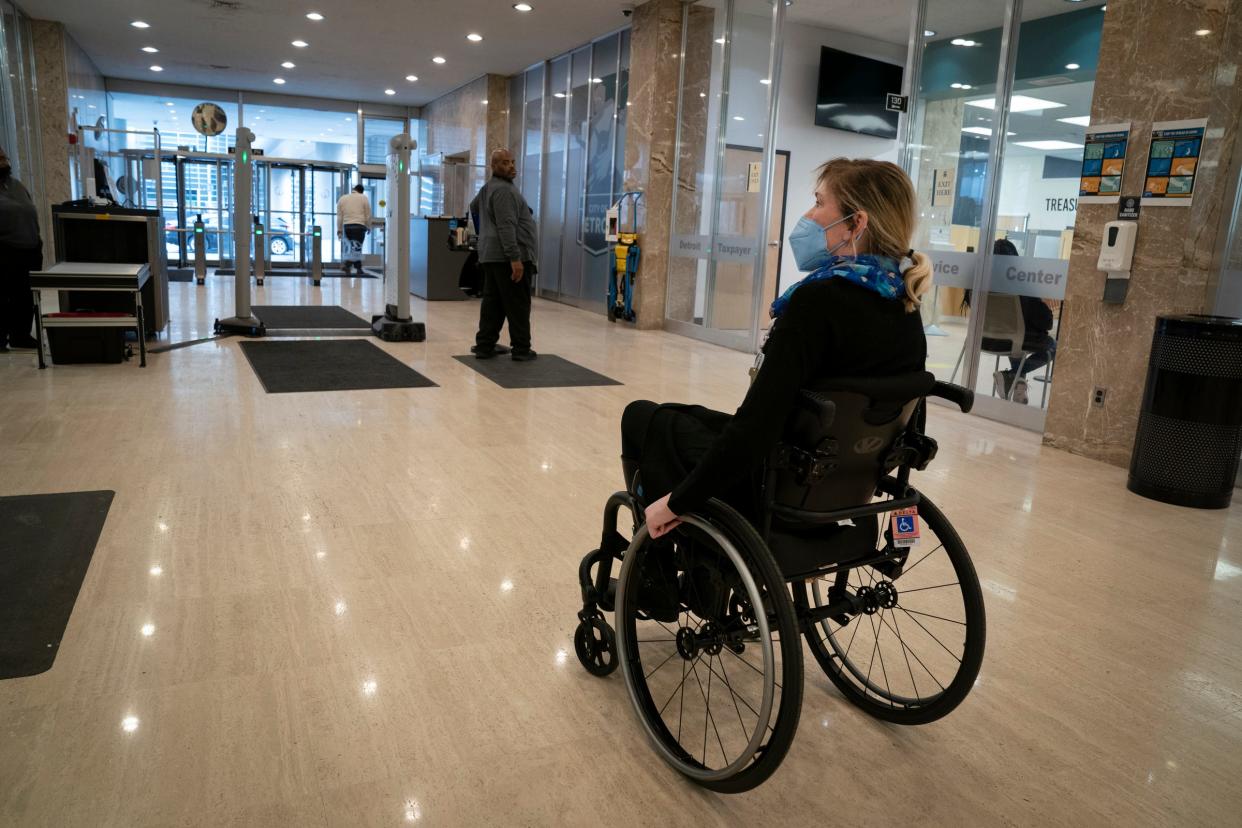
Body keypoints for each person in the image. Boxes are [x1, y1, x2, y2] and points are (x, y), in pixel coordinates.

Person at [622, 158, 932, 538]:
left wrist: (675, 502)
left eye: (819, 203)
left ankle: (656, 571)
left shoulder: (817, 302)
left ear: (857, 223)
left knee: (643, 417)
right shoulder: (905, 303)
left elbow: (756, 427)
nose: (808, 214)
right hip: (847, 485)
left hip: (778, 482)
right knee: (678, 414)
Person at [469, 147, 538, 361]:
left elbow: (474, 207)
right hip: (508, 257)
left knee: (494, 303)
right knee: (518, 304)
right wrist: (515, 259)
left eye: (512, 162)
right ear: (494, 166)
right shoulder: (505, 191)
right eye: (505, 163)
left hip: (491, 256)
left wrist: (485, 234)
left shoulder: (488, 188)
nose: (511, 167)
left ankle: (485, 345)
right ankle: (521, 349)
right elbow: (506, 226)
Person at [990, 238, 1056, 405]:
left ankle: (1018, 386)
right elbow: (1046, 322)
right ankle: (1013, 375)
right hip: (1012, 341)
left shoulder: (981, 282)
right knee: (1053, 346)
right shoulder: (1020, 284)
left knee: (1017, 340)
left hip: (985, 340)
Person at [0, 145, 43, 353]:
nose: (4, 161)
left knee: (26, 295)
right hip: (6, 250)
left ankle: (21, 335)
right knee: (5, 296)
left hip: (30, 247)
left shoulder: (16, 185)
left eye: (3, 157)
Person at [336, 183, 371, 275]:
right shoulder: (363, 198)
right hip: (359, 226)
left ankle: (358, 268)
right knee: (357, 248)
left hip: (347, 226)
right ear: (361, 191)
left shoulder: (343, 198)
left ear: (354, 189)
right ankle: (347, 265)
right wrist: (368, 226)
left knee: (354, 248)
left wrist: (339, 230)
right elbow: (367, 215)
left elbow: (339, 216)